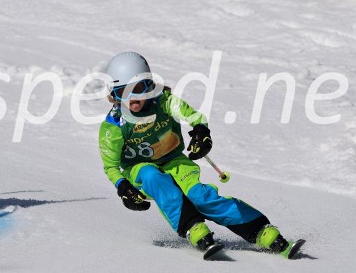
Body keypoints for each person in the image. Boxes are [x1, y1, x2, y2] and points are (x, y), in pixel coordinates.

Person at [97, 51, 303, 260]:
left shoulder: (163, 102)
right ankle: (193, 226)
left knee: (199, 196)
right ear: (113, 94)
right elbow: (111, 166)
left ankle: (260, 230)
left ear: (149, 85)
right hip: (139, 171)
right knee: (151, 175)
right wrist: (123, 187)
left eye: (138, 89)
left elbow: (194, 116)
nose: (133, 99)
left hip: (174, 162)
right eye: (124, 92)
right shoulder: (113, 126)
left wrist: (201, 132)